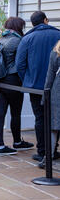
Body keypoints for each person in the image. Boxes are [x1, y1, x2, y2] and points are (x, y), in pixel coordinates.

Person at [16, 11, 60, 162]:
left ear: (32, 23)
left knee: (40, 118)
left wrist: (28, 79)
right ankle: (53, 149)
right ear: (46, 20)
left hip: (35, 86)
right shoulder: (58, 35)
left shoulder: (27, 38)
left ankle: (43, 151)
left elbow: (20, 64)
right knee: (56, 117)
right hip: (56, 85)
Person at [0, 17, 35, 155]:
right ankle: (17, 142)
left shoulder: (0, 40)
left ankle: (0, 146)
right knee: (15, 113)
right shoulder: (18, 41)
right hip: (13, 80)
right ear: (18, 27)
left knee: (0, 114)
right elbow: (22, 62)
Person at [40, 41, 60, 169]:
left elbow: (50, 76)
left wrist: (45, 96)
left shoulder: (56, 52)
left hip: (56, 92)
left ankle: (47, 158)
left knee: (54, 126)